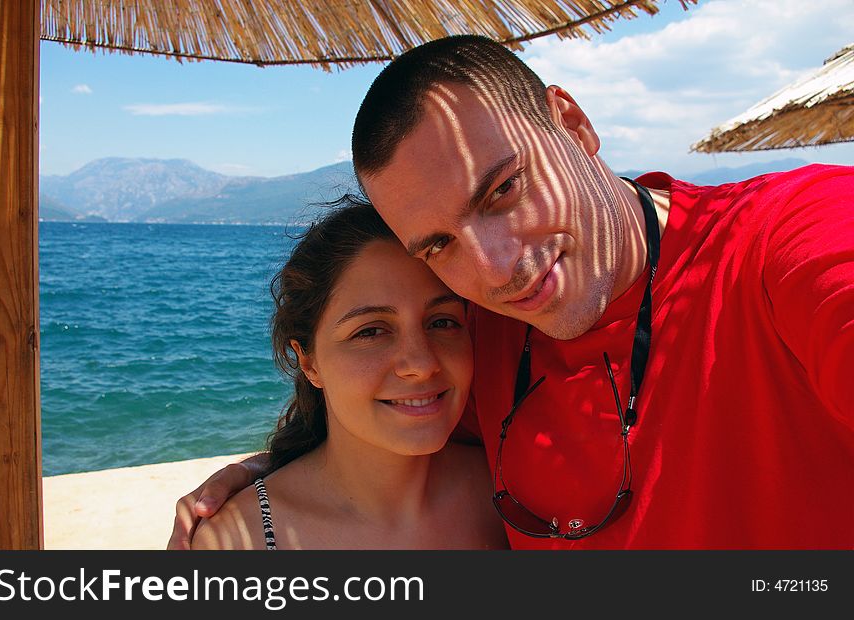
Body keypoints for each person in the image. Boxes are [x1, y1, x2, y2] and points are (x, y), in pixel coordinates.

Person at [172, 36, 854, 550]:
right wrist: (266, 481)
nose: (499, 269)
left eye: (503, 190)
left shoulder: (786, 239)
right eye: (438, 245)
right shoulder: (481, 334)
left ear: (574, 124)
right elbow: (383, 425)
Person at [190, 199, 507, 549]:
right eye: (370, 331)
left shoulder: (512, 490)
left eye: (442, 322)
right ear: (308, 362)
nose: (421, 362)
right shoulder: (241, 541)